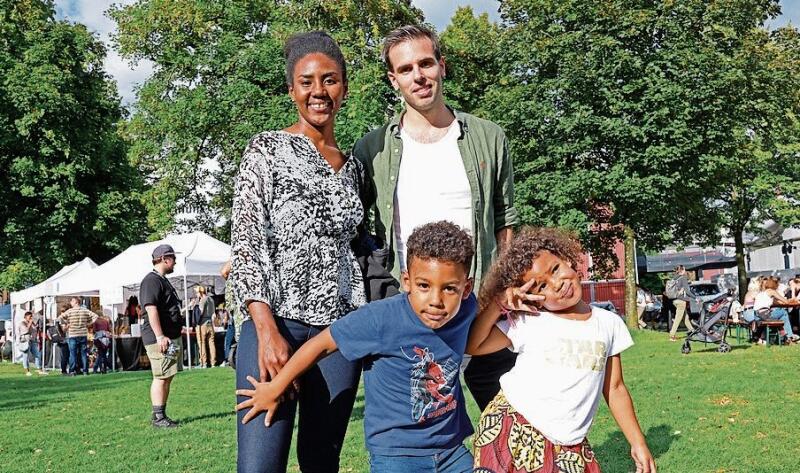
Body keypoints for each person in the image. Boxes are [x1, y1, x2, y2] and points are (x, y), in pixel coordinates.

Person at [353, 24, 518, 411]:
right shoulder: (371, 149)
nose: (419, 76)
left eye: (426, 63)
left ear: (442, 66)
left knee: (513, 414)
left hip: (481, 300)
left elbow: (504, 218)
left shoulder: (488, 137)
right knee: (423, 424)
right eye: (406, 69)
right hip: (410, 302)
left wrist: (505, 288)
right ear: (394, 80)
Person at [237, 222, 477, 473]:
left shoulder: (467, 309)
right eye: (424, 286)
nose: (436, 301)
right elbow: (321, 344)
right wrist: (276, 387)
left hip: (452, 452)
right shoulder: (380, 318)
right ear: (406, 281)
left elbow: (478, 342)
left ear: (466, 288)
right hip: (397, 457)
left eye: (450, 288)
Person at [230, 31, 367, 472]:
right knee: (260, 463)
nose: (318, 91)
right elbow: (248, 241)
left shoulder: (355, 168)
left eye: (329, 80)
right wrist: (266, 328)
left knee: (321, 461)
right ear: (292, 90)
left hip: (338, 334)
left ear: (343, 87)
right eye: (307, 82)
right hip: (277, 323)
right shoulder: (266, 150)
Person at [467, 227, 656, 473]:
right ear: (532, 297)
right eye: (541, 287)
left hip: (570, 443)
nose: (557, 285)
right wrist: (497, 305)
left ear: (567, 259)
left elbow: (615, 387)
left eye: (555, 269)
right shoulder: (528, 321)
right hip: (513, 427)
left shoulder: (609, 323)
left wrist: (637, 442)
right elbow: (474, 345)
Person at [140, 244, 185, 428]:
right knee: (161, 376)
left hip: (169, 336)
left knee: (167, 374)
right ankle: (158, 417)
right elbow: (151, 310)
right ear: (164, 259)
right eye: (173, 258)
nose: (175, 262)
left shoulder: (162, 279)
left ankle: (160, 414)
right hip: (159, 337)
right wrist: (160, 336)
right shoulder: (151, 281)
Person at [753, 276, 799, 345]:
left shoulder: (763, 293)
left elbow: (779, 303)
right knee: (784, 312)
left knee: (782, 317)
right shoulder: (772, 292)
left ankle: (785, 338)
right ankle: (789, 336)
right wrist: (794, 298)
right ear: (774, 284)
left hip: (757, 315)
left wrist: (789, 301)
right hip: (765, 314)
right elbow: (785, 302)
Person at [60, 297, 98, 375]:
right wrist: (89, 323)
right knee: (83, 354)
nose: (71, 303)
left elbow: (60, 318)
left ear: (75, 302)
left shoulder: (70, 311)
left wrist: (67, 322)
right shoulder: (85, 310)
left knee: (72, 354)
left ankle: (72, 371)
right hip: (83, 334)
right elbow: (96, 316)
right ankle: (85, 371)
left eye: (72, 301)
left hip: (73, 334)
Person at [666, 265, 695, 341]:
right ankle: (672, 336)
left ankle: (693, 331)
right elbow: (688, 291)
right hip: (681, 301)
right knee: (677, 319)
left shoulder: (674, 278)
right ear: (682, 270)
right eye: (684, 270)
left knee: (685, 317)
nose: (685, 271)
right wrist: (695, 297)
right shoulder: (683, 278)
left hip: (674, 300)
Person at [193, 285, 217, 368]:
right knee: (211, 342)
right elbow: (214, 313)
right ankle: (213, 362)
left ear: (200, 292)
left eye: (197, 293)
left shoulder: (203, 300)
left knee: (202, 343)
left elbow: (201, 312)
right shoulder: (211, 299)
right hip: (210, 322)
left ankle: (204, 363)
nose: (196, 295)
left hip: (202, 323)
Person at [17, 311, 46, 376]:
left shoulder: (32, 323)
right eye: (29, 316)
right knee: (26, 356)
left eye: (31, 316)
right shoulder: (22, 323)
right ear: (25, 317)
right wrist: (30, 323)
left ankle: (39, 369)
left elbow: (35, 330)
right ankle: (27, 371)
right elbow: (26, 330)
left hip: (33, 340)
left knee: (37, 355)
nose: (31, 318)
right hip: (25, 341)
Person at [220, 261, 237, 367]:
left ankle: (227, 358)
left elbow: (224, 271)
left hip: (236, 317)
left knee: (230, 339)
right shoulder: (232, 284)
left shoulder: (235, 282)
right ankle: (229, 358)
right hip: (233, 316)